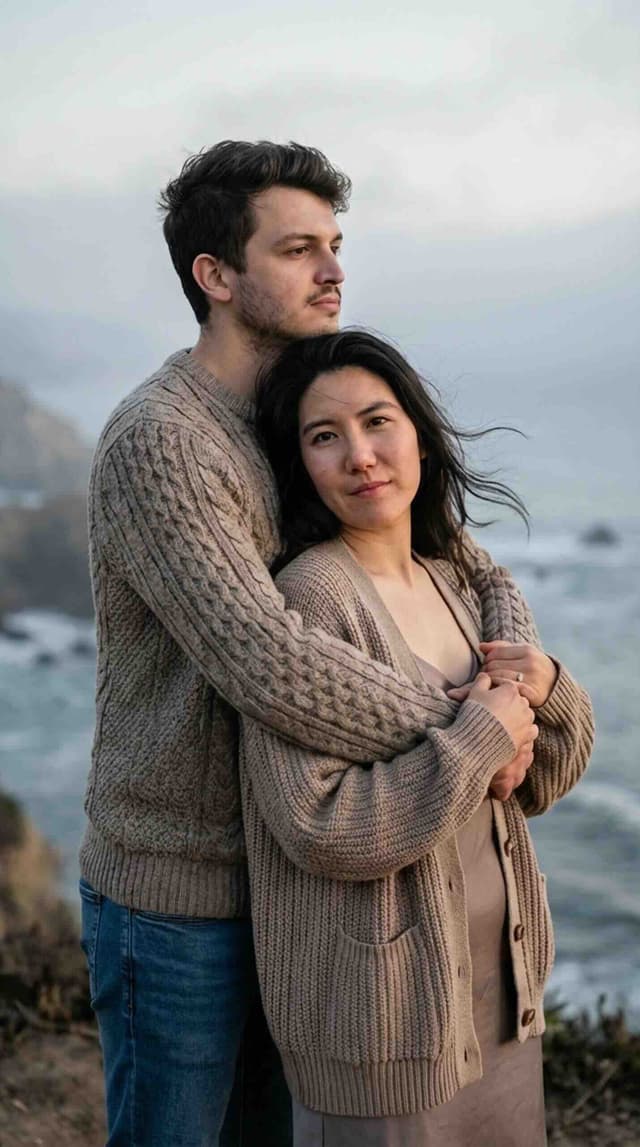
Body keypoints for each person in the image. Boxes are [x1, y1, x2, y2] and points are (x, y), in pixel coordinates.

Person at [78, 140, 567, 1147]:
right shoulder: (161, 441)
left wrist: (516, 676)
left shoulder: (295, 412)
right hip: (184, 891)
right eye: (299, 248)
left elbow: (467, 562)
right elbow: (266, 656)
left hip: (297, 894)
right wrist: (478, 727)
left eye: (334, 244)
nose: (333, 269)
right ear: (215, 276)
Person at [239, 329, 594, 1147]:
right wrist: (475, 740)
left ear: (421, 438)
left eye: (377, 422)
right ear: (302, 464)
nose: (360, 455)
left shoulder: (458, 581)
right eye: (325, 437)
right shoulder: (311, 600)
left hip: (500, 1004)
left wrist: (548, 686)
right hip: (382, 1022)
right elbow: (316, 823)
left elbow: (540, 778)